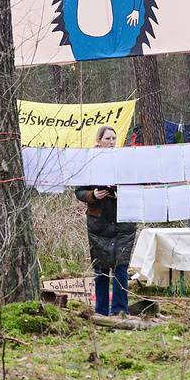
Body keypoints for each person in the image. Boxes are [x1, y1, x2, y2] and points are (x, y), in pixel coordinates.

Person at [74, 125, 135, 316]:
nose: (111, 142)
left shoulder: (125, 161)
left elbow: (137, 186)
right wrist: (93, 194)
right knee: (100, 269)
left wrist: (122, 194)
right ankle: (101, 311)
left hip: (123, 221)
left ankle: (119, 311)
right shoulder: (89, 162)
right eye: (107, 139)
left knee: (121, 267)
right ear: (99, 140)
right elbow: (79, 191)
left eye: (113, 139)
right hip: (98, 224)